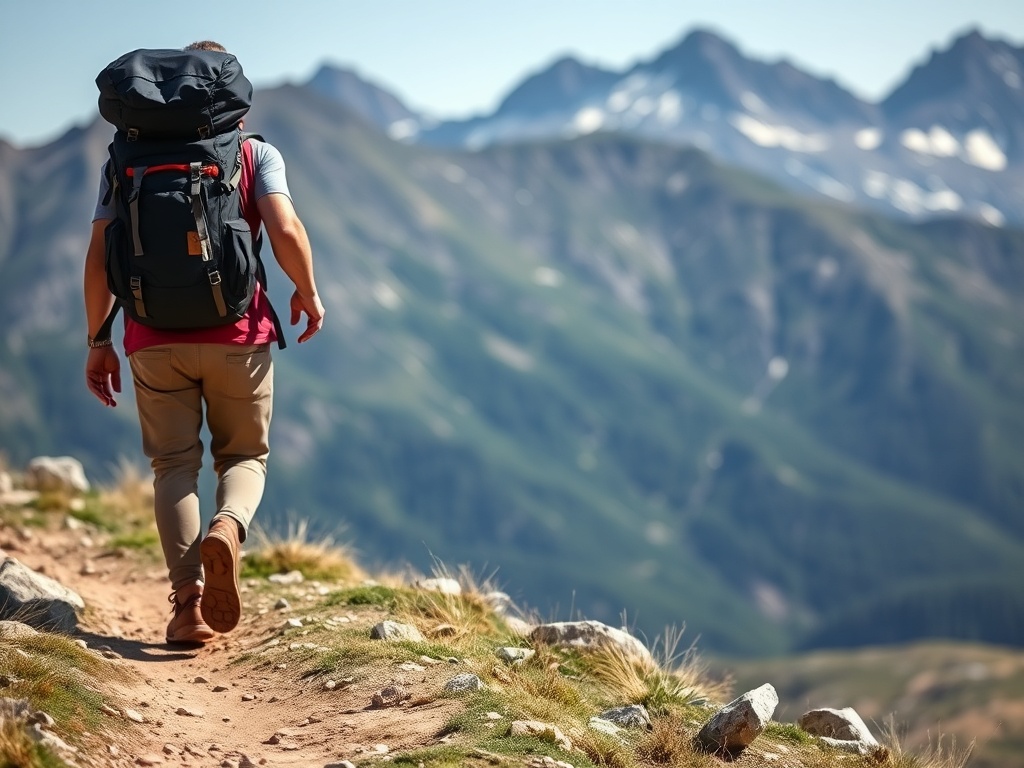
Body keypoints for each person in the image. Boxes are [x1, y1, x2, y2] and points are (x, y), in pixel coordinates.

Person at [83, 40, 325, 644]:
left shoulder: (124, 161)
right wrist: (308, 291)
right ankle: (228, 525)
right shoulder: (252, 152)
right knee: (244, 458)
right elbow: (285, 226)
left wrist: (97, 339)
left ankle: (188, 605)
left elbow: (97, 258)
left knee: (173, 466)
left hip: (150, 337)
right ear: (228, 95)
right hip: (237, 333)